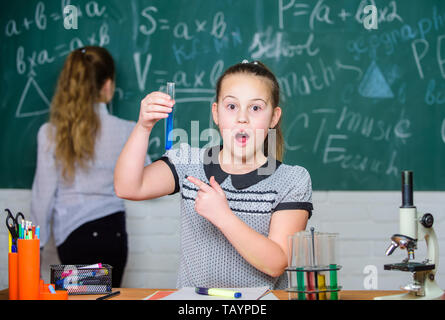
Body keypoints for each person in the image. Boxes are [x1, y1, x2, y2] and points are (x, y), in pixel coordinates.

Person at [114, 60, 313, 289]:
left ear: (274, 117)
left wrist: (223, 217)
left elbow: (276, 263)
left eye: (255, 108)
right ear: (216, 113)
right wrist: (143, 126)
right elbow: (127, 187)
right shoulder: (188, 161)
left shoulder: (292, 180)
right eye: (231, 107)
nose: (242, 118)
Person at [30, 46, 149, 288]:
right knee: (106, 295)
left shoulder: (51, 134)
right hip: (113, 235)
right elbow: (145, 174)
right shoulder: (126, 130)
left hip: (74, 238)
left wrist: (33, 248)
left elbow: (42, 197)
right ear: (107, 85)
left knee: (80, 298)